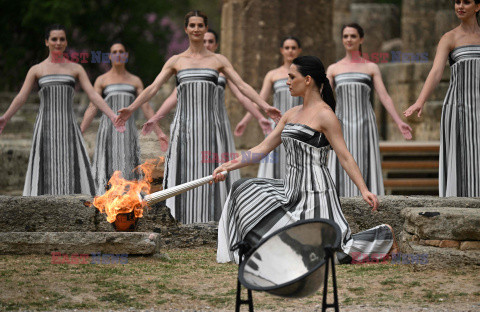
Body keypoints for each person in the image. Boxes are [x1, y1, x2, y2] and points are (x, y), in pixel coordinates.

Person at [212, 56, 397, 264]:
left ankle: (383, 235)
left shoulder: (326, 115)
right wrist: (226, 166)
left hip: (315, 195)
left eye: (292, 77)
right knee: (242, 188)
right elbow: (262, 149)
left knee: (322, 257)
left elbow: (344, 156)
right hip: (290, 191)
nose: (287, 82)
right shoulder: (290, 114)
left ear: (308, 79)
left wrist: (363, 189)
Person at [115, 11, 281, 224]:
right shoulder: (176, 61)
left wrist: (265, 106)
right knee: (183, 171)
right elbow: (154, 87)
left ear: (205, 28)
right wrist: (131, 108)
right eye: (192, 25)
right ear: (186, 29)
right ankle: (179, 220)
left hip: (211, 127)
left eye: (200, 25)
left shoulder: (218, 60)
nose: (196, 29)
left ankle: (216, 221)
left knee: (213, 171)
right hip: (183, 127)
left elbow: (242, 86)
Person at [0, 24, 124, 196]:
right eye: (54, 39)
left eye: (62, 39)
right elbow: (21, 97)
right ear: (46, 42)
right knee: (45, 170)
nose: (58, 42)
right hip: (45, 128)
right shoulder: (36, 70)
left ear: (66, 43)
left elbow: (93, 96)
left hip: (69, 128)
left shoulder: (76, 69)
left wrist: (112, 116)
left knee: (72, 169)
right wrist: (5, 117)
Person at [326, 23, 412, 197]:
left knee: (365, 160)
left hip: (365, 122)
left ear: (361, 39)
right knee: (341, 160)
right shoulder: (333, 69)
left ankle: (369, 200)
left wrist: (399, 122)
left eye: (353, 36)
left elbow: (384, 96)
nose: (349, 39)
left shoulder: (371, 67)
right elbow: (324, 99)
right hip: (341, 124)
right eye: (345, 36)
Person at [404, 0, 480, 197]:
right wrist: (420, 101)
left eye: (466, 2)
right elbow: (436, 72)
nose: (460, 6)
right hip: (458, 107)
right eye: (457, 2)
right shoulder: (450, 38)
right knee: (461, 159)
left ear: (477, 7)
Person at [80, 42, 168, 194]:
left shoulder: (135, 81)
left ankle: (128, 202)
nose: (118, 54)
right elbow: (93, 107)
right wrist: (80, 131)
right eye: (115, 52)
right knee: (107, 167)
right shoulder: (102, 80)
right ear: (110, 56)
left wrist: (159, 132)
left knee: (128, 167)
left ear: (126, 55)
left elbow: (146, 106)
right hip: (108, 131)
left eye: (121, 51)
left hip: (127, 132)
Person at [234, 36, 303, 179]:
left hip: (299, 124)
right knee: (274, 164)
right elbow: (260, 100)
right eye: (287, 48)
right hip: (277, 125)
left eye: (293, 48)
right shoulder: (272, 74)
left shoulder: (304, 74)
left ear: (299, 51)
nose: (290, 51)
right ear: (281, 51)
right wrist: (245, 121)